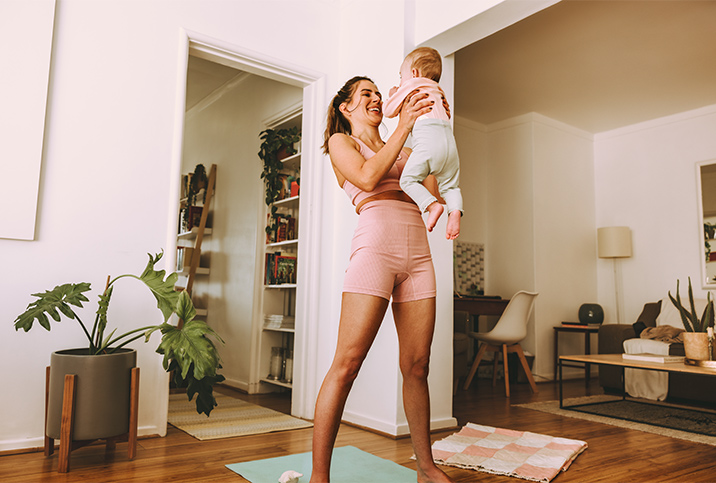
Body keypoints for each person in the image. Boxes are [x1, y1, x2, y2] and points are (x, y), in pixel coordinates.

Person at [310, 76, 454, 483]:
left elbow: (434, 200)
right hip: (375, 249)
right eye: (366, 94)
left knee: (418, 365)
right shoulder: (343, 144)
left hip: (418, 255)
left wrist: (435, 130)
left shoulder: (409, 150)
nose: (375, 99)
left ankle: (426, 466)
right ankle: (320, 477)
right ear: (346, 107)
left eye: (378, 93)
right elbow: (369, 178)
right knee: (347, 364)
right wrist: (405, 125)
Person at [384, 47, 462, 240]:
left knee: (408, 180)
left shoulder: (412, 84)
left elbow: (389, 111)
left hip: (429, 142)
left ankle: (431, 205)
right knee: (451, 187)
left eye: (401, 76)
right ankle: (454, 212)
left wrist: (394, 94)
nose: (401, 81)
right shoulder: (438, 90)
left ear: (414, 73)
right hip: (449, 144)